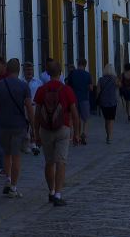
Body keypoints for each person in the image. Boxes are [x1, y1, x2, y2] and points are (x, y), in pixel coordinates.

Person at [0, 58, 34, 198]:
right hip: (18, 125)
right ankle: (13, 187)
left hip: (3, 124)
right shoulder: (24, 86)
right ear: (18, 70)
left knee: (6, 154)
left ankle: (8, 179)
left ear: (7, 69)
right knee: (16, 156)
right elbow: (29, 108)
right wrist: (34, 127)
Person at [33, 59, 80, 207]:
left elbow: (37, 114)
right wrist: (77, 133)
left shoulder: (41, 90)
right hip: (63, 129)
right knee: (61, 162)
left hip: (45, 130)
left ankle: (51, 191)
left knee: (49, 162)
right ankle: (58, 194)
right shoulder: (66, 90)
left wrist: (36, 134)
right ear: (60, 73)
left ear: (47, 73)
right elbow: (75, 113)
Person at [66, 58, 93, 146]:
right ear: (85, 65)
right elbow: (90, 88)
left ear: (78, 64)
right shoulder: (87, 75)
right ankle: (84, 134)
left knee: (75, 118)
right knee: (86, 118)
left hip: (73, 99)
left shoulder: (72, 74)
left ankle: (75, 136)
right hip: (84, 98)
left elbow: (68, 86)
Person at [23, 61, 43, 156]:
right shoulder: (21, 82)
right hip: (24, 107)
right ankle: (26, 144)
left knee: (34, 125)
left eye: (31, 69)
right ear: (24, 71)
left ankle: (34, 144)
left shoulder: (38, 82)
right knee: (25, 126)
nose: (29, 72)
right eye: (27, 70)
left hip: (34, 106)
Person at [96, 63, 119, 143]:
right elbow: (119, 85)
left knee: (106, 119)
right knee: (111, 119)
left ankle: (108, 135)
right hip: (112, 101)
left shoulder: (101, 79)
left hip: (104, 102)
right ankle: (110, 136)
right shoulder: (115, 79)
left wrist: (97, 100)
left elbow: (98, 91)